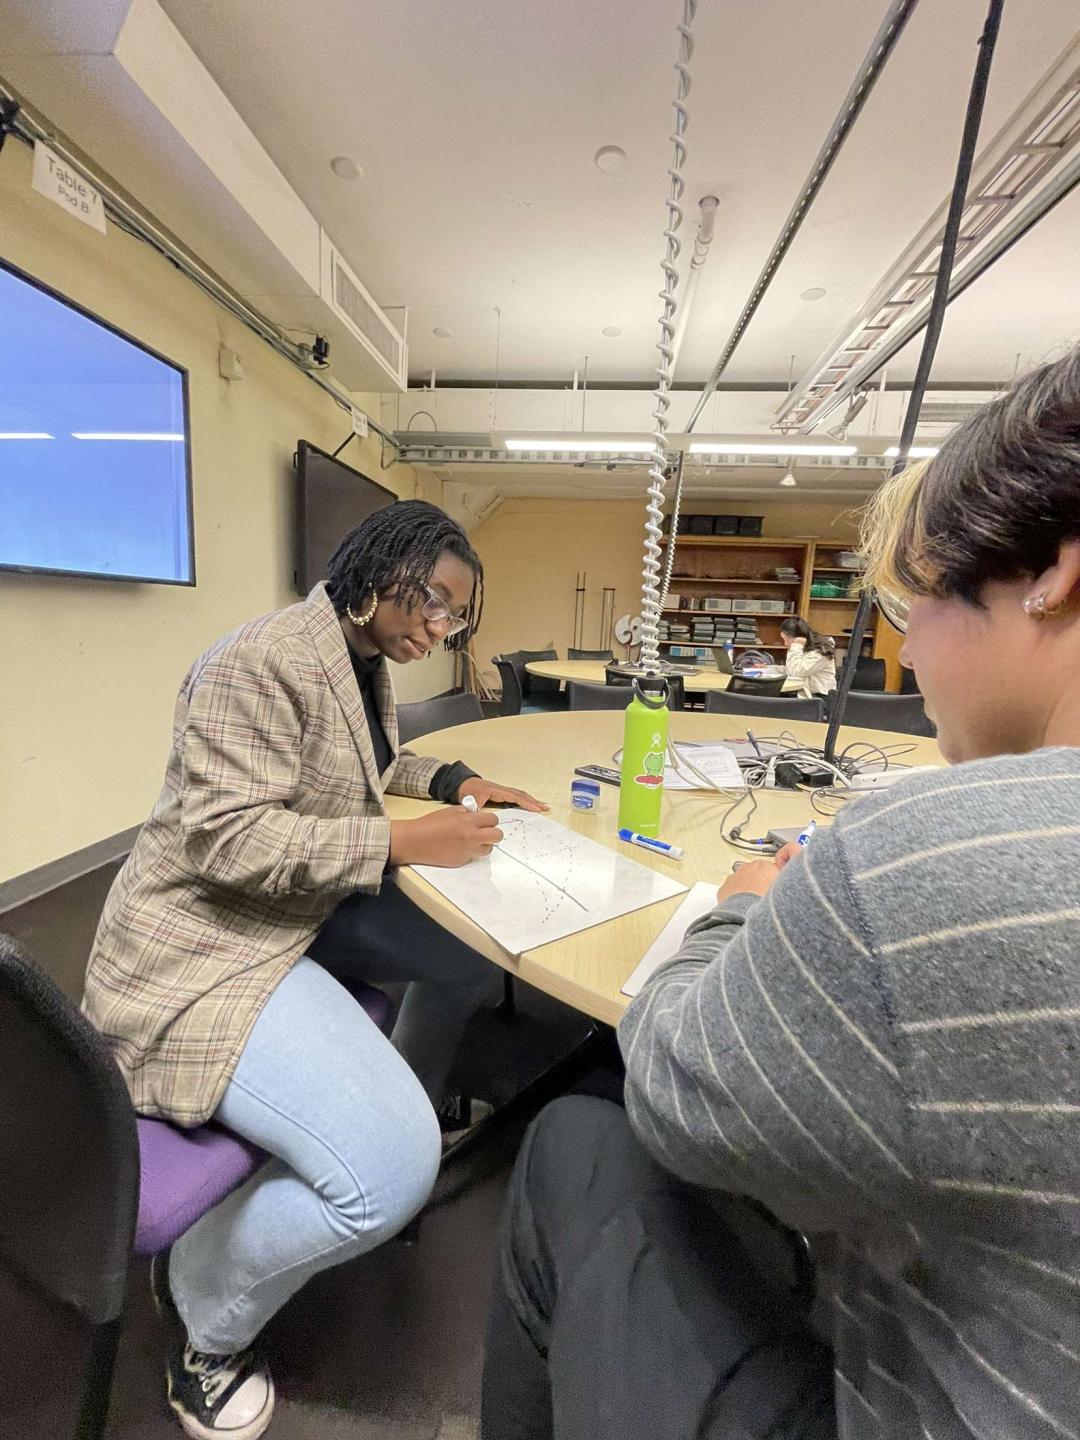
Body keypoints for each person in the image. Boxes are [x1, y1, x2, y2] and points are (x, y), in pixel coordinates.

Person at [481, 348, 1080, 1440]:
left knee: (579, 1140)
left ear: (1054, 574)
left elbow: (672, 1086)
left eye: (912, 600)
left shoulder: (921, 857)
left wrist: (745, 905)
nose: (898, 643)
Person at [83, 499, 546, 1440]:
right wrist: (403, 841)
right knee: (390, 1169)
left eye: (454, 615)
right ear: (378, 572)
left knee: (464, 959)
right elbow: (226, 840)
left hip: (293, 917)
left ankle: (362, 1117)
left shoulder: (358, 657)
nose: (437, 627)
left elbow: (355, 774)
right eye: (430, 603)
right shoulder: (257, 662)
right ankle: (204, 1314)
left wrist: (450, 783)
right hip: (205, 948)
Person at [780, 615, 837, 699]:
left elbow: (797, 672)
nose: (785, 643)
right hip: (804, 693)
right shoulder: (803, 648)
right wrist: (769, 668)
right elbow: (790, 669)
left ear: (799, 638)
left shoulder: (821, 651)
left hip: (819, 697)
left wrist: (796, 646)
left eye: (787, 639)